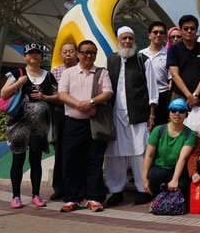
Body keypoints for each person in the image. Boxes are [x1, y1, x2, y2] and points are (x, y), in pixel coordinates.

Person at [56, 40, 113, 213]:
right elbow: (62, 94)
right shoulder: (69, 73)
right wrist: (81, 106)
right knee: (71, 161)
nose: (89, 55)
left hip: (94, 125)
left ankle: (93, 197)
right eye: (85, 52)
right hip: (72, 124)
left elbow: (108, 93)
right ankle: (72, 198)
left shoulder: (102, 73)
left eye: (92, 52)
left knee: (94, 161)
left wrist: (90, 102)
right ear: (78, 54)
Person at [0, 43, 58, 209]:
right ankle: (16, 196)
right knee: (18, 160)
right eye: (30, 53)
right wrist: (19, 83)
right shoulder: (18, 73)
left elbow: (57, 96)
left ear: (41, 56)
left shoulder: (49, 75)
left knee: (36, 161)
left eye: (37, 53)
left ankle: (36, 194)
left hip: (40, 126)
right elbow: (3, 94)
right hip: (19, 125)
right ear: (25, 57)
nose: (34, 56)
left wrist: (44, 97)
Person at [103, 27, 153, 207]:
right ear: (118, 40)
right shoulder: (111, 60)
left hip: (138, 114)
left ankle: (142, 189)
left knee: (139, 153)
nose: (127, 42)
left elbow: (151, 90)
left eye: (130, 38)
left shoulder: (142, 60)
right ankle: (116, 191)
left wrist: (151, 115)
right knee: (114, 155)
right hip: (115, 114)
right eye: (124, 38)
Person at [141, 98, 196, 201]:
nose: (177, 113)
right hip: (161, 168)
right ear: (169, 113)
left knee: (183, 186)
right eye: (174, 110)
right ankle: (156, 200)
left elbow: (182, 158)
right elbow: (149, 155)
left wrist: (175, 179)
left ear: (186, 114)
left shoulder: (190, 134)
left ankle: (175, 204)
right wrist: (144, 179)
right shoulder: (158, 130)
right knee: (155, 175)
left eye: (181, 111)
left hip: (179, 170)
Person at [50, 42, 78, 200]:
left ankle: (77, 186)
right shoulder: (55, 72)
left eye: (71, 51)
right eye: (65, 52)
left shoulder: (83, 69)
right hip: (60, 114)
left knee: (77, 152)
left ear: (77, 53)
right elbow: (55, 96)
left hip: (79, 113)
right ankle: (59, 188)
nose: (68, 54)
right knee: (60, 152)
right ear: (60, 55)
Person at [167, 14, 200, 108]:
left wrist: (195, 95)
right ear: (180, 30)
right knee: (177, 122)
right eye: (186, 28)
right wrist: (189, 95)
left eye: (192, 28)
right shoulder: (173, 50)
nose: (189, 31)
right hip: (179, 95)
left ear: (196, 30)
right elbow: (174, 75)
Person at [141, 22, 172, 127]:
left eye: (161, 33)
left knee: (161, 128)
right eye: (155, 32)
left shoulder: (169, 55)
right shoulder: (141, 55)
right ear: (149, 35)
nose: (158, 35)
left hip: (162, 96)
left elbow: (170, 79)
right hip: (144, 96)